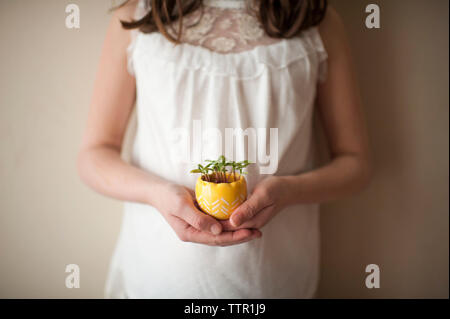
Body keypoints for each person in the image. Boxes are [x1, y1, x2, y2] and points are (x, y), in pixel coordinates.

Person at [78, 0, 372, 298]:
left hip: (274, 279)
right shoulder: (137, 18)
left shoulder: (315, 21)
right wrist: (156, 193)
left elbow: (355, 164)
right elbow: (95, 153)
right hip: (156, 275)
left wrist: (288, 191)